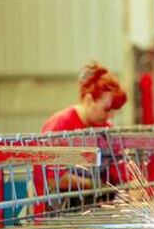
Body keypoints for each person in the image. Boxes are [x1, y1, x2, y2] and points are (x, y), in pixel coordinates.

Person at [41, 61, 127, 191]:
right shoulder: (58, 126)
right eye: (107, 109)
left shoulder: (105, 130)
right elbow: (52, 179)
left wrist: (132, 186)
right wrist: (91, 185)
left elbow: (119, 170)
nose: (110, 116)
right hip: (54, 205)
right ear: (88, 100)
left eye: (114, 111)